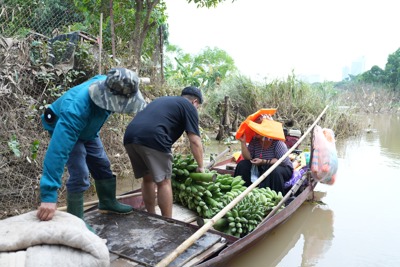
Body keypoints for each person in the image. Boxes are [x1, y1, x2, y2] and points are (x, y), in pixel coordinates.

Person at [36, 68, 147, 229]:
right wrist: (48, 196)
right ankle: (76, 222)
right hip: (63, 124)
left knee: (101, 163)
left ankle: (107, 202)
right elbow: (57, 152)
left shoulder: (112, 83)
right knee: (80, 171)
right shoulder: (75, 109)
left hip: (88, 130)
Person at [123, 86, 205, 218]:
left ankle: (151, 216)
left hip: (130, 136)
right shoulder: (189, 107)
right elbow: (195, 140)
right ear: (195, 102)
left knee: (148, 179)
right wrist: (201, 166)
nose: (197, 109)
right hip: (154, 137)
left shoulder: (165, 100)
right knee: (164, 182)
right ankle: (167, 221)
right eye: (198, 106)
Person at [234, 115, 293, 194]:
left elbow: (283, 161)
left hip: (281, 168)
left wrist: (264, 161)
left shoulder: (277, 143)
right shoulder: (255, 141)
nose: (255, 132)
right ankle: (242, 192)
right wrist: (243, 143)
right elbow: (248, 158)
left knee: (273, 170)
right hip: (262, 166)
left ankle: (274, 197)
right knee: (242, 164)